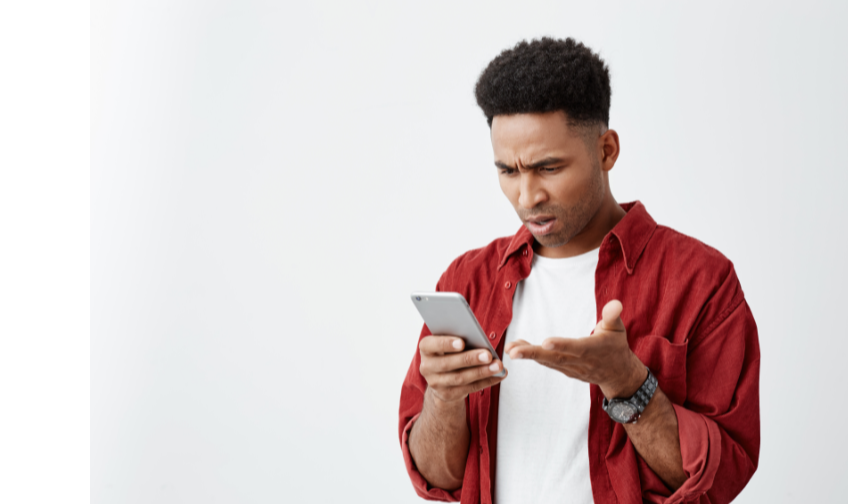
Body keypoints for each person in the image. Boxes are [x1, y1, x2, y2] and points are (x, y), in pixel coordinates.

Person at [397, 37, 760, 504]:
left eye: (548, 168)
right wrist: (443, 398)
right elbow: (436, 479)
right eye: (509, 171)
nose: (527, 197)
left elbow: (723, 479)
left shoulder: (701, 281)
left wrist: (628, 384)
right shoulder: (467, 281)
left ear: (606, 150)